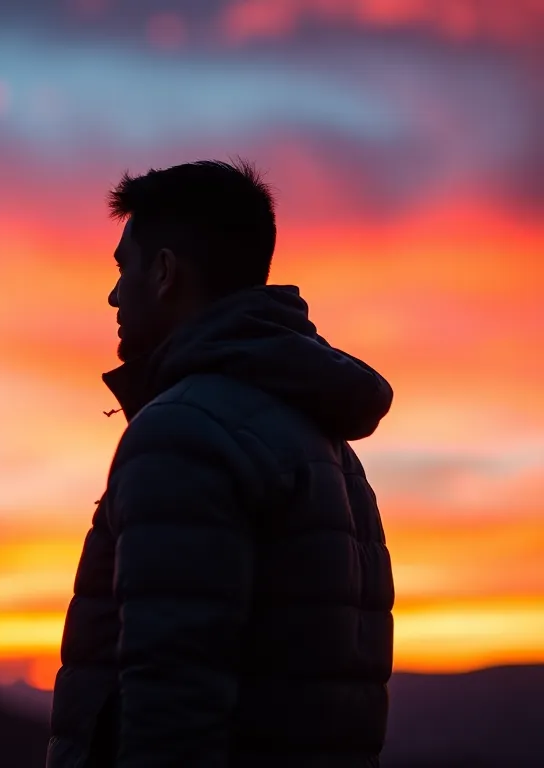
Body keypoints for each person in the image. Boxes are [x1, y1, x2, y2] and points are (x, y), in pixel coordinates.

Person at [47, 160, 395, 768]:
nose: (112, 294)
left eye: (122, 267)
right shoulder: (330, 449)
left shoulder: (184, 432)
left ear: (162, 273)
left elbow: (171, 706)